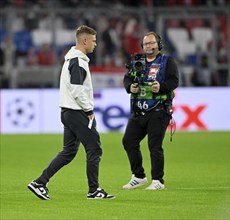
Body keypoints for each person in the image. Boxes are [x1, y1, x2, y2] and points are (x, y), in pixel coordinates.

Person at [27, 25, 115, 200]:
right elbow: (77, 90)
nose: (96, 44)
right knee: (94, 149)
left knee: (68, 152)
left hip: (68, 112)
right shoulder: (78, 61)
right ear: (84, 40)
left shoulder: (72, 59)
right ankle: (94, 190)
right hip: (77, 113)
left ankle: (40, 182)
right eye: (93, 40)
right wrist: (89, 111)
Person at [122, 32, 179, 190]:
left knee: (154, 145)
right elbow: (127, 78)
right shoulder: (137, 61)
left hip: (159, 110)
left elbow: (174, 81)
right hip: (139, 111)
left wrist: (161, 87)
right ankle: (139, 176)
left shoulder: (168, 62)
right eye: (146, 43)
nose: (149, 46)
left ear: (159, 44)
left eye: (152, 43)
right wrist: (130, 87)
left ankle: (158, 181)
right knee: (128, 141)